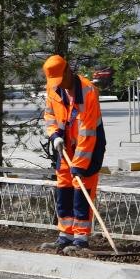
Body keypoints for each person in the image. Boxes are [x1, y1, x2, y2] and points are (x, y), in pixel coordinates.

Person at [40, 54, 106, 252]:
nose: (60, 85)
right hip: (64, 146)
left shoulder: (88, 92)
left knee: (81, 189)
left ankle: (80, 239)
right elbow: (50, 115)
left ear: (68, 70)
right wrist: (55, 135)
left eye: (61, 80)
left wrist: (79, 164)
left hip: (89, 148)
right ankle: (65, 236)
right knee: (64, 189)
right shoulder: (53, 88)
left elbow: (88, 132)